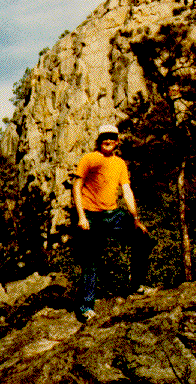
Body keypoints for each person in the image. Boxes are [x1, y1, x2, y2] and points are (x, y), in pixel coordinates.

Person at [73, 123, 155, 321]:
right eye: (104, 138)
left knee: (143, 240)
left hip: (113, 215)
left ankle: (137, 285)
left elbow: (126, 191)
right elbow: (76, 187)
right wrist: (81, 216)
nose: (108, 141)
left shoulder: (119, 163)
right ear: (99, 141)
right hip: (92, 215)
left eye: (112, 137)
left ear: (117, 141)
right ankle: (86, 308)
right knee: (92, 261)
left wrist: (135, 219)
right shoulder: (89, 159)